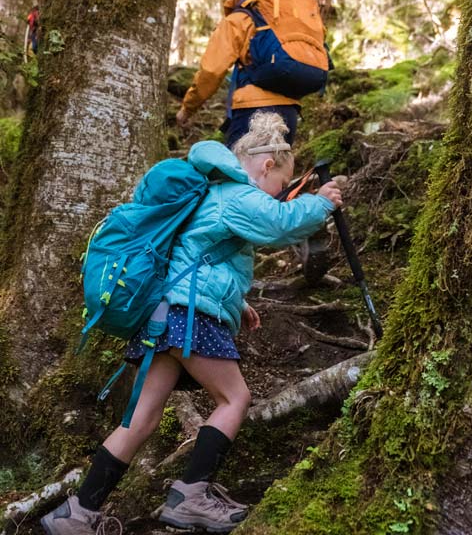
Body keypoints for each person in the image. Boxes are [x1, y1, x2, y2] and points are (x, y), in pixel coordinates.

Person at [41, 112, 342, 535]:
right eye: (279, 187)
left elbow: (202, 259)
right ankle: (190, 497)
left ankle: (76, 513)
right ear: (267, 166)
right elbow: (280, 224)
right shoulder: (237, 194)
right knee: (234, 398)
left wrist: (236, 304)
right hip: (188, 316)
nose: (278, 195)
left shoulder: (214, 194)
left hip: (164, 316)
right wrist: (323, 201)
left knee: (141, 420)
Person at [176, 0, 329, 149]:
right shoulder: (281, 20)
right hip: (289, 113)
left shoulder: (239, 19)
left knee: (242, 175)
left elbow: (211, 71)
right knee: (273, 174)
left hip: (251, 112)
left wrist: (187, 108)